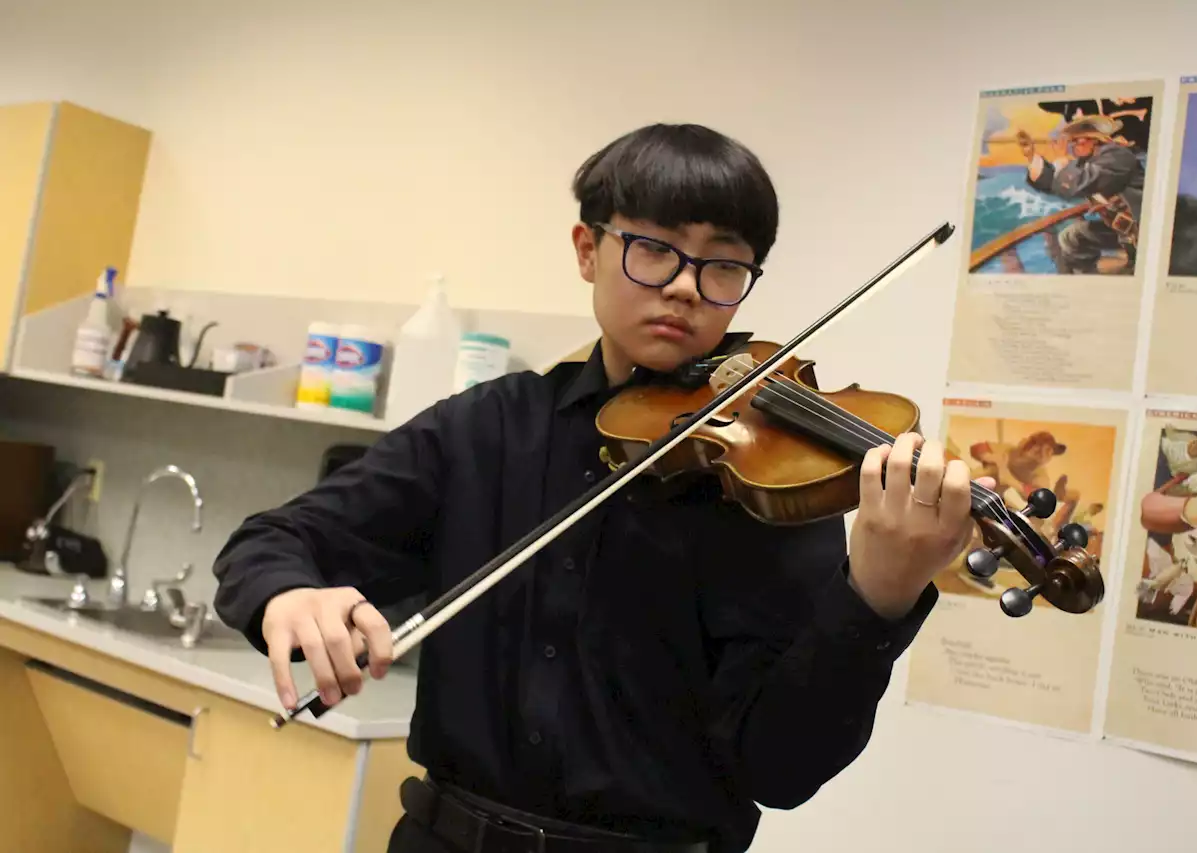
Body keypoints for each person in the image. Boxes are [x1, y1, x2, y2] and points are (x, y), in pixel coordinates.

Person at [212, 123, 992, 853]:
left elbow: (782, 770)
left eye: (723, 263)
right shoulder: (487, 429)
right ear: (588, 248)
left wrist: (877, 596)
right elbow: (271, 543)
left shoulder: (774, 480)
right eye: (655, 249)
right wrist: (287, 595)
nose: (686, 287)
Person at [1016, 114, 1145, 274]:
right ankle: (1083, 278)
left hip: (1142, 231)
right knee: (1071, 238)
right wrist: (1031, 156)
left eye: (1079, 140)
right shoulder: (1089, 162)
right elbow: (1055, 183)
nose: (1073, 145)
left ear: (1096, 139)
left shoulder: (1117, 156)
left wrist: (1061, 158)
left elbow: (1076, 183)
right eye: (1072, 141)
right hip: (1120, 230)